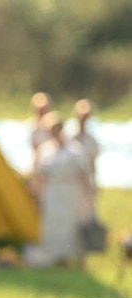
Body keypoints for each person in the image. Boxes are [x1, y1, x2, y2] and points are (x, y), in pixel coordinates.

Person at [26, 112, 91, 267]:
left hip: (69, 190)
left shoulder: (74, 149)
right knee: (52, 221)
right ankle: (54, 255)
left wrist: (88, 192)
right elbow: (40, 175)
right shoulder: (45, 149)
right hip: (52, 190)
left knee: (69, 222)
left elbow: (83, 173)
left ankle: (69, 257)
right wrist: (36, 192)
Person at [72, 99, 99, 217]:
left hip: (86, 177)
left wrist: (93, 183)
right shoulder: (70, 135)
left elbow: (93, 163)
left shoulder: (91, 138)